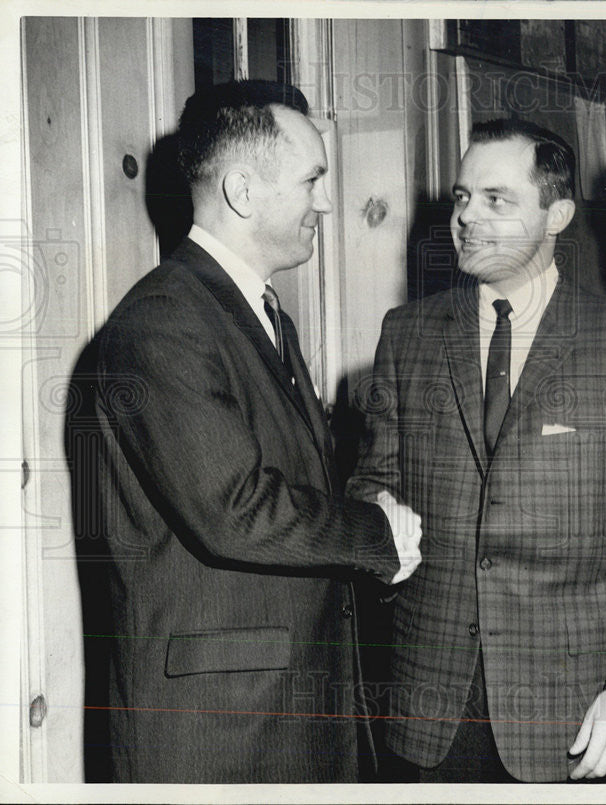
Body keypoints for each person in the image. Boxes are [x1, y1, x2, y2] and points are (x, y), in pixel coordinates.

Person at [67, 80, 421, 783]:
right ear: (243, 191)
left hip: (280, 713)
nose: (326, 200)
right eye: (312, 179)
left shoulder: (260, 316)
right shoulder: (164, 321)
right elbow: (235, 508)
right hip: (218, 731)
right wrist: (377, 534)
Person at [346, 118, 606, 783]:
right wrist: (380, 519)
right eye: (460, 197)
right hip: (432, 695)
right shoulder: (408, 334)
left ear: (556, 212)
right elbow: (373, 479)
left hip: (573, 702)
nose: (467, 217)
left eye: (496, 199)